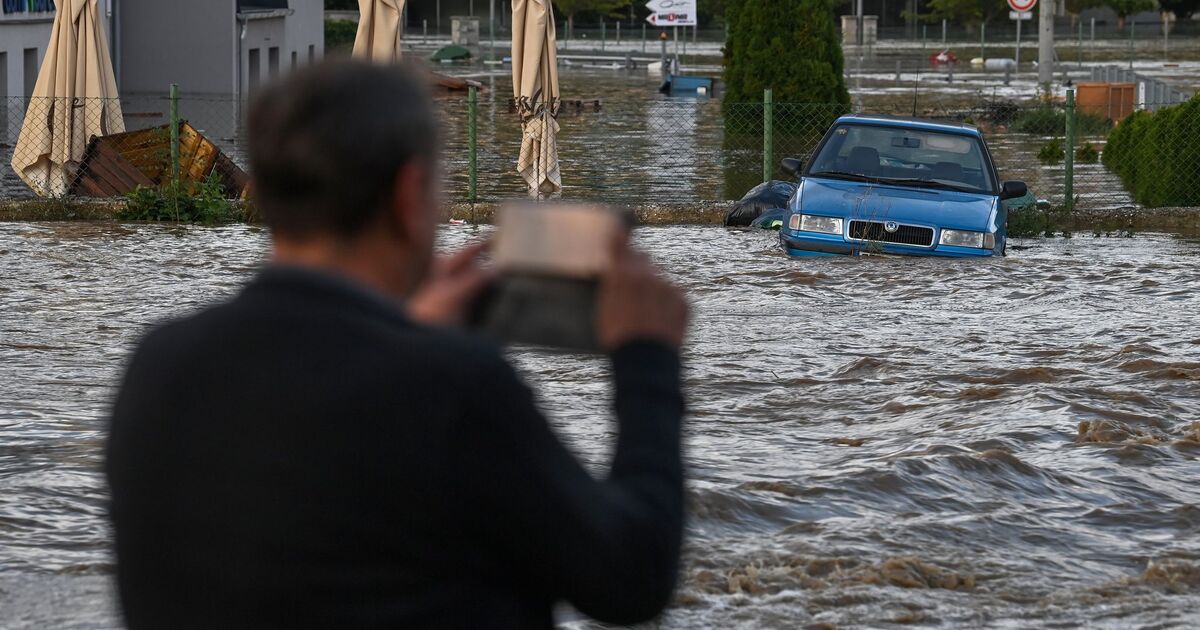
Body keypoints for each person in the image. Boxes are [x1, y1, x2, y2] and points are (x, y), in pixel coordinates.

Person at [105, 62, 689, 629]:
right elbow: (630, 577)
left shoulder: (160, 364)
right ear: (409, 195)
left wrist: (406, 330)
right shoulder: (452, 387)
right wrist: (647, 357)